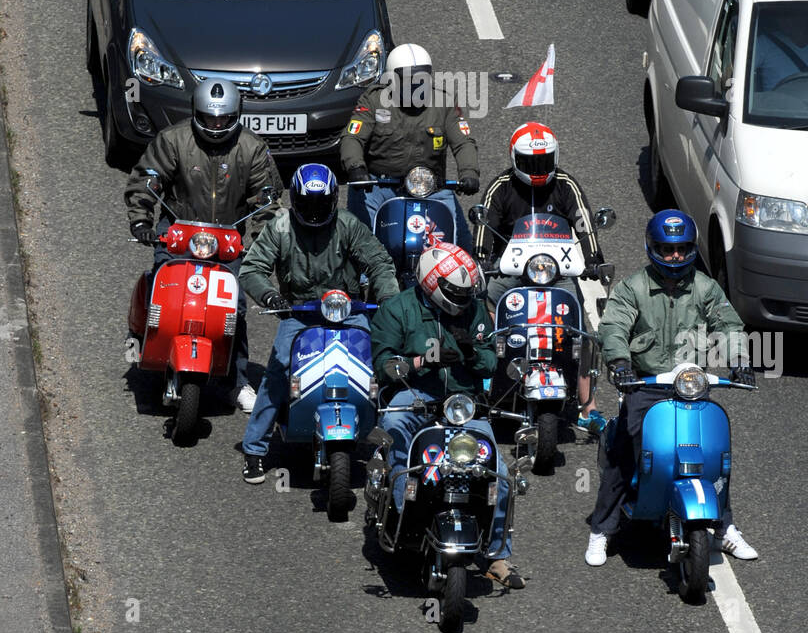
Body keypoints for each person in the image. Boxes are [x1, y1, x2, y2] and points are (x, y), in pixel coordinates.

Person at [585, 210, 758, 566]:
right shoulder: (632, 288)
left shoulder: (706, 288)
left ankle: (725, 528)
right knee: (624, 450)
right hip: (645, 385)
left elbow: (728, 325)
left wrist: (740, 360)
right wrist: (619, 362)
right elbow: (613, 327)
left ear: (691, 249)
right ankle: (602, 530)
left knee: (715, 456)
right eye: (667, 249)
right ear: (653, 248)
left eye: (681, 249)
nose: (675, 256)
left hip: (691, 385)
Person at [370, 242, 524, 589]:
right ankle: (402, 522)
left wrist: (469, 353)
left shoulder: (472, 312)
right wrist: (421, 363)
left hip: (460, 402)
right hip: (413, 398)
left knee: (496, 471)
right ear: (431, 283)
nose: (463, 300)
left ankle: (498, 555)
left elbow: (489, 361)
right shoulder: (397, 310)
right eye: (456, 292)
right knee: (395, 432)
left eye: (468, 293)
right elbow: (384, 365)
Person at [125, 79, 283, 411]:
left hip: (228, 237)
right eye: (210, 118)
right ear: (196, 113)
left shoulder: (252, 148)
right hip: (180, 230)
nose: (216, 125)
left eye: (224, 118)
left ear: (236, 114)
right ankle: (144, 338)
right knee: (163, 287)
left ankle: (237, 382)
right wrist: (141, 219)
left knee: (234, 309)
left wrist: (257, 242)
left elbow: (266, 202)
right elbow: (148, 178)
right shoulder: (173, 140)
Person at [239, 164, 400, 482]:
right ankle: (255, 450)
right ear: (295, 200)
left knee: (382, 363)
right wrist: (271, 297)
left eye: (320, 204)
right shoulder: (281, 226)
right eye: (306, 204)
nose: (313, 212)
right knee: (278, 370)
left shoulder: (349, 224)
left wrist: (387, 298)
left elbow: (378, 261)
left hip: (350, 308)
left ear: (333, 200)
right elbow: (251, 269)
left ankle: (389, 444)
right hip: (299, 312)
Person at [474, 123, 608, 434]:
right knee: (482, 311)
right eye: (530, 162)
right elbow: (484, 224)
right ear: (514, 159)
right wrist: (481, 259)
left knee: (581, 331)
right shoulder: (500, 187)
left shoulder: (565, 185)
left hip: (555, 271)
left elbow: (583, 221)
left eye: (544, 161)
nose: (537, 169)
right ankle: (482, 387)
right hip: (511, 271)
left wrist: (592, 258)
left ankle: (588, 406)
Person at [341, 44, 480, 252]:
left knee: (461, 245)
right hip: (379, 186)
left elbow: (463, 142)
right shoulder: (373, 101)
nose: (417, 87)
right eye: (409, 82)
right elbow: (353, 137)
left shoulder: (444, 102)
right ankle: (363, 281)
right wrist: (356, 168)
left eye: (422, 80)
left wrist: (469, 172)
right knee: (361, 246)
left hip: (431, 187)